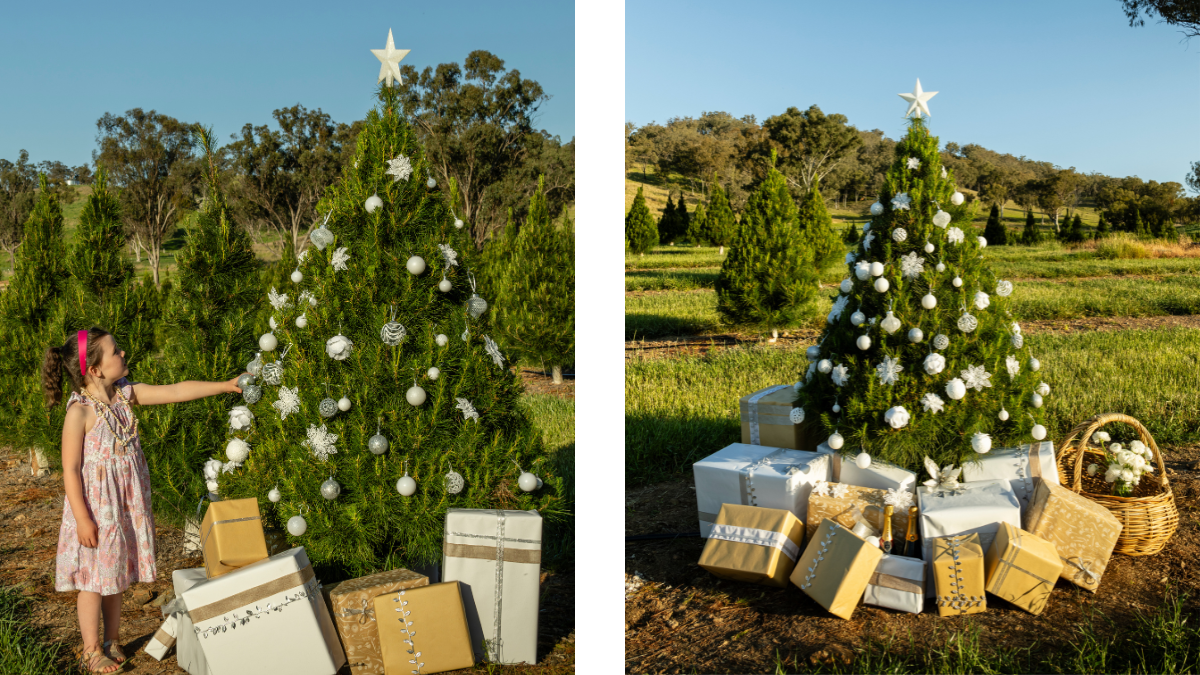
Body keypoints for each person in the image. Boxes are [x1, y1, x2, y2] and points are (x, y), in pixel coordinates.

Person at [41, 327, 246, 673]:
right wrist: (82, 518)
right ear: (95, 369)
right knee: (92, 582)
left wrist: (224, 385)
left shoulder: (125, 394)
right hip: (96, 511)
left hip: (123, 507)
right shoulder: (80, 412)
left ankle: (112, 640)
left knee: (115, 574)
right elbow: (70, 470)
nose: (123, 354)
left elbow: (175, 391)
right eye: (115, 351)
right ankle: (91, 650)